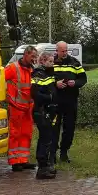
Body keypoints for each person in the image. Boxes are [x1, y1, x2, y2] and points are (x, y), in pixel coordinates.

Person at [52, 41, 87, 163]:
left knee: (69, 127)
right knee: (54, 128)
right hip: (55, 100)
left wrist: (75, 83)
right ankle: (53, 153)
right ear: (57, 51)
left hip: (70, 100)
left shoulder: (74, 62)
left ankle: (64, 152)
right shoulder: (51, 62)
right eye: (62, 51)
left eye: (66, 50)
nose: (65, 53)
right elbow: (44, 78)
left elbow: (83, 78)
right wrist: (55, 84)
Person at [3, 46, 36, 171]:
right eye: (33, 56)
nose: (34, 59)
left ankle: (23, 159)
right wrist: (7, 96)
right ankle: (15, 162)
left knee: (26, 133)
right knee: (15, 133)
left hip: (28, 107)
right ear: (26, 55)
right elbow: (0, 81)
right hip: (16, 106)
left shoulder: (32, 70)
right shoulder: (13, 68)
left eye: (35, 57)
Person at [31, 51, 61, 179]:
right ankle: (42, 168)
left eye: (52, 61)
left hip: (49, 110)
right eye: (49, 61)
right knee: (45, 138)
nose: (52, 64)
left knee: (49, 138)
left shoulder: (49, 73)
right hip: (41, 111)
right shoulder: (38, 74)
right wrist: (49, 98)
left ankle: (46, 165)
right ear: (42, 61)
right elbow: (36, 94)